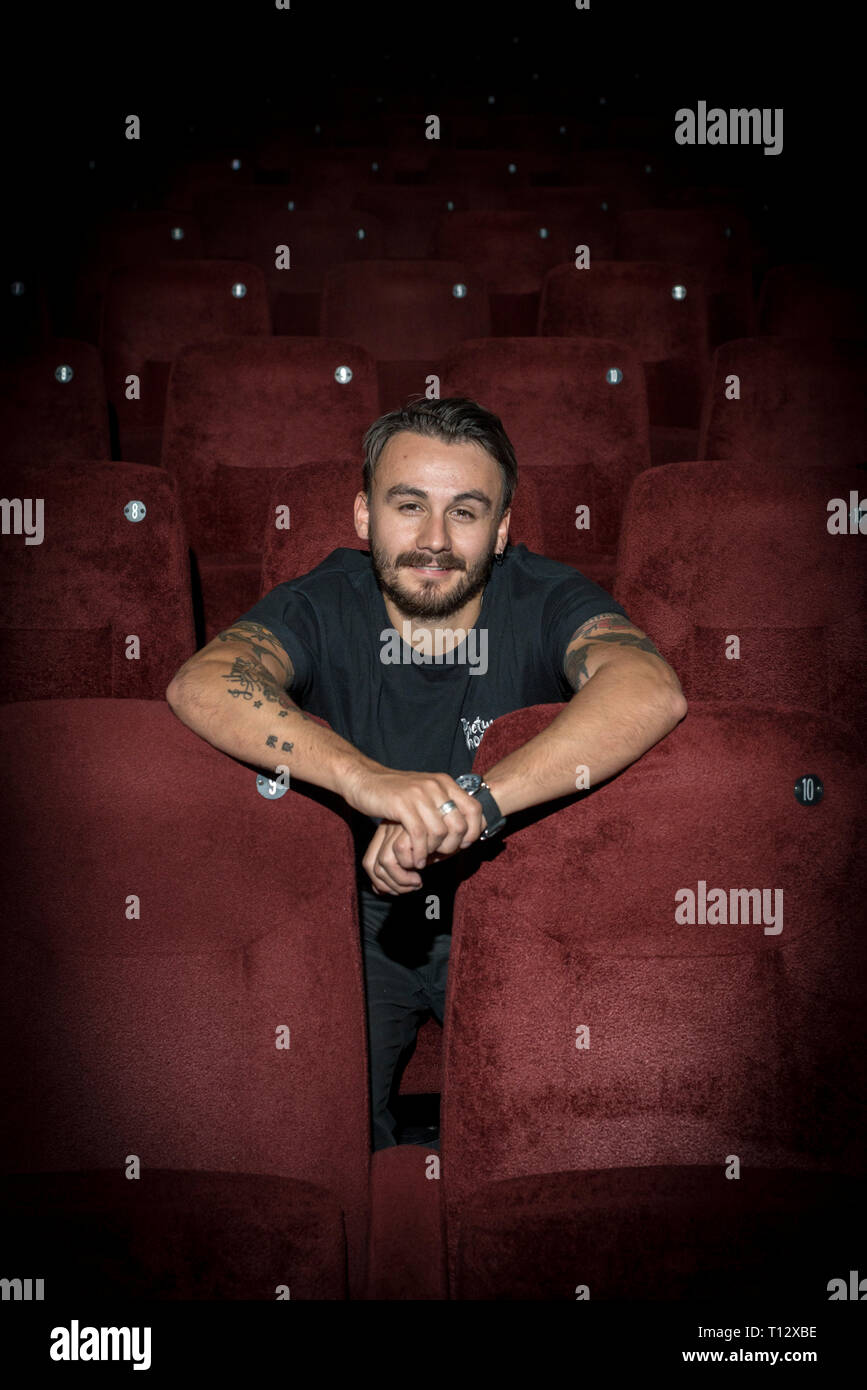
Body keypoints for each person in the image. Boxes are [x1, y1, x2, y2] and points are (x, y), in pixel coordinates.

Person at [165, 397, 687, 1152]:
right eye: (407, 506)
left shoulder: (543, 594)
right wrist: (365, 779)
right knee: (316, 1138)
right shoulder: (322, 600)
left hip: (514, 907)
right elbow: (202, 683)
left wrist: (474, 801)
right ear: (363, 515)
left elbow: (649, 689)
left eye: (466, 512)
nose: (434, 541)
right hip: (357, 918)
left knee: (560, 1138)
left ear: (502, 529)